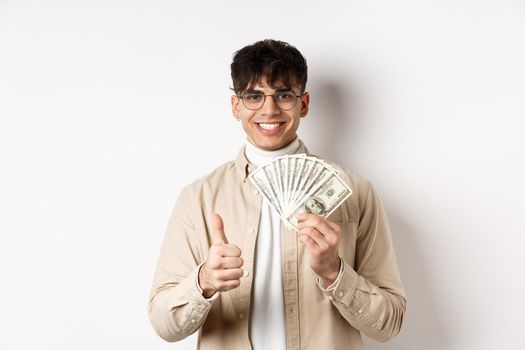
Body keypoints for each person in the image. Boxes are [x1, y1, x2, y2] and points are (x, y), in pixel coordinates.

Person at [148, 39, 406, 350]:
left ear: (304, 103)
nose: (269, 109)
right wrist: (203, 282)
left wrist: (334, 272)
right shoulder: (198, 198)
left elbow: (389, 324)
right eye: (254, 96)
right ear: (236, 106)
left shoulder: (355, 193)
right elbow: (164, 324)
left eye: (283, 95)